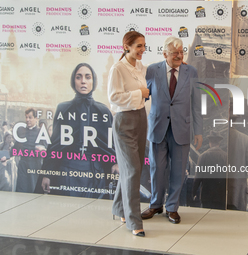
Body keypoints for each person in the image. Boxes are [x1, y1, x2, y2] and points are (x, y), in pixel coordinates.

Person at [142, 36, 203, 224]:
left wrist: (198, 131)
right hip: (158, 127)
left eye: (181, 51)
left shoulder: (191, 72)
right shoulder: (152, 70)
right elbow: (143, 96)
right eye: (174, 52)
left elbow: (197, 104)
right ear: (164, 54)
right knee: (157, 169)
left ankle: (172, 208)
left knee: (178, 170)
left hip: (182, 129)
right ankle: (155, 205)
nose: (179, 55)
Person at [40, 63, 115, 199]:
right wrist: (47, 174)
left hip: (95, 172)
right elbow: (55, 144)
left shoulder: (103, 111)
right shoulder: (63, 108)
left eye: (88, 77)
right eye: (78, 77)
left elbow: (110, 143)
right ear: (73, 81)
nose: (83, 81)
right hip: (68, 171)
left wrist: (115, 161)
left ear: (94, 81)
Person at [107, 31, 149, 237]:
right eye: (138, 46)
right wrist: (139, 93)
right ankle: (134, 221)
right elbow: (113, 97)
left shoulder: (140, 67)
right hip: (124, 121)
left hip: (141, 118)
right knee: (132, 169)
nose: (142, 50)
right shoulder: (118, 68)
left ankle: (119, 208)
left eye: (144, 46)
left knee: (134, 169)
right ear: (126, 47)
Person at [11, 108, 46, 193]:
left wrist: (42, 150)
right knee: (21, 191)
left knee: (33, 190)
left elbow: (46, 149)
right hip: (23, 166)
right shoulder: (22, 131)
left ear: (35, 118)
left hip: (34, 167)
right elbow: (15, 149)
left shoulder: (40, 132)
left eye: (30, 117)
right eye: (26, 117)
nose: (27, 120)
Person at [192, 131, 227, 210]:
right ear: (219, 142)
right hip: (221, 195)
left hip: (206, 195)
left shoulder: (203, 156)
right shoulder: (226, 157)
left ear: (209, 142)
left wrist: (193, 193)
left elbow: (197, 177)